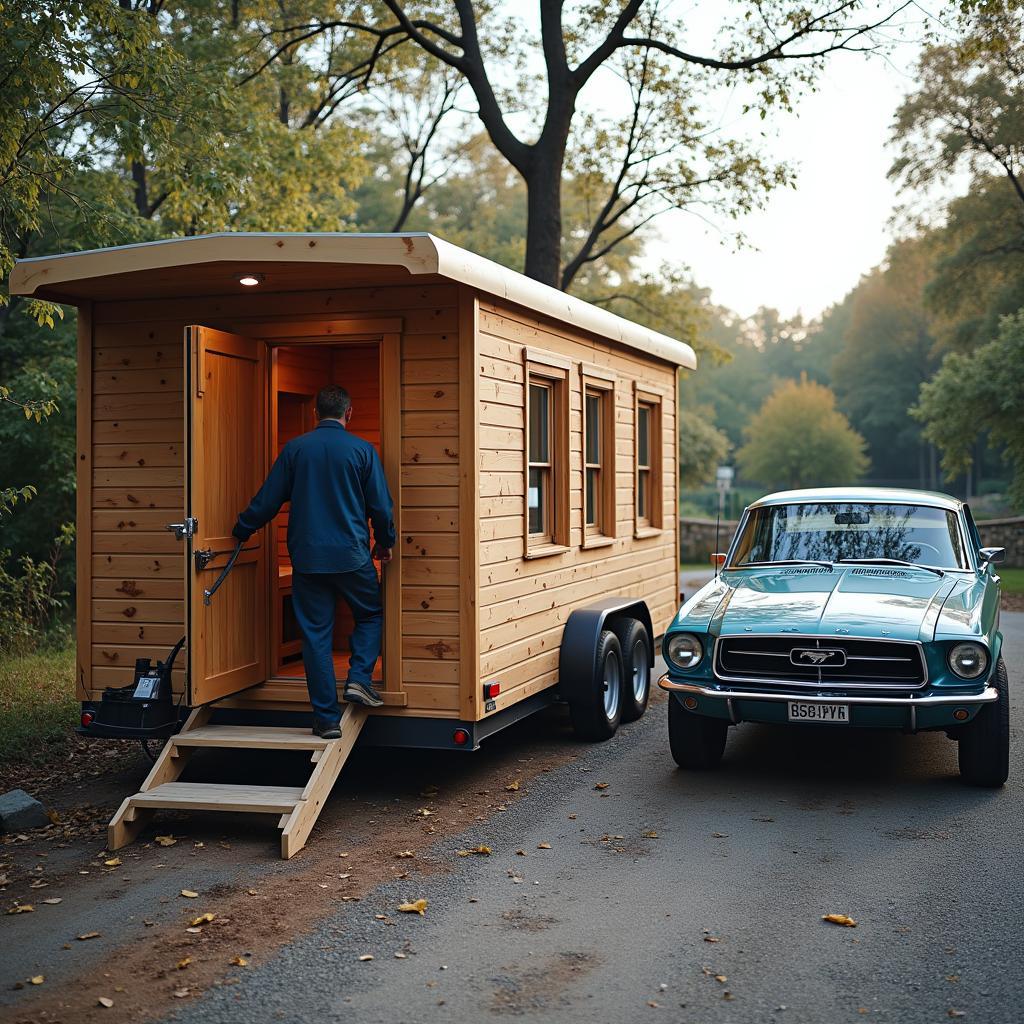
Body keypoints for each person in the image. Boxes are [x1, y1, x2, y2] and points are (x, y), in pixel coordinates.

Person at [231, 384, 395, 739]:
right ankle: (359, 679)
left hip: (307, 559)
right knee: (370, 614)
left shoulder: (295, 450)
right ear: (348, 413)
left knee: (316, 636)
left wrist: (242, 528)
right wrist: (385, 542)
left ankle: (326, 720)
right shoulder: (362, 451)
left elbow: (267, 501)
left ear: (315, 413)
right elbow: (381, 508)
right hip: (352, 557)